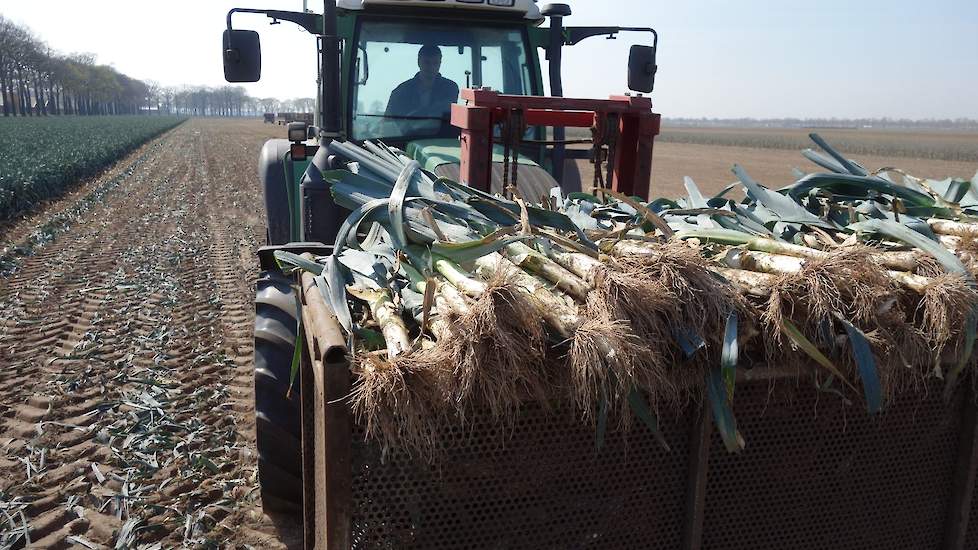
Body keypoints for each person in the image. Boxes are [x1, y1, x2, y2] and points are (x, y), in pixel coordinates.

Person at [385, 44, 459, 134]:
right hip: (405, 142)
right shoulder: (400, 92)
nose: (431, 67)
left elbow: (447, 114)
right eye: (427, 62)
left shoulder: (450, 89)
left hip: (442, 142)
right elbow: (387, 124)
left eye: (435, 63)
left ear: (440, 63)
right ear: (419, 62)